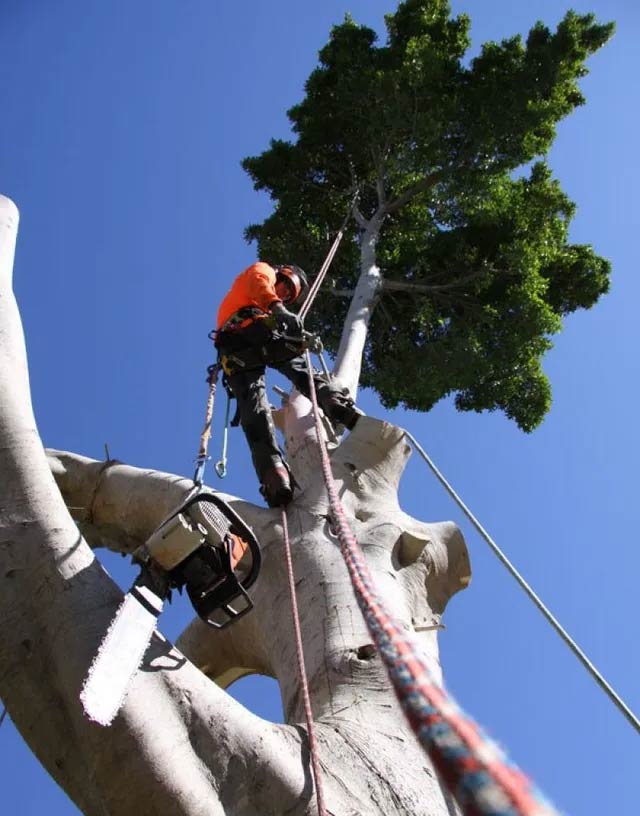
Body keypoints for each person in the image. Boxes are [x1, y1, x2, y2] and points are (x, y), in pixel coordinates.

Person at [215, 261, 362, 507]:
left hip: (238, 350)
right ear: (282, 275)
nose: (283, 295)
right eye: (284, 289)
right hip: (247, 335)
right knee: (256, 408)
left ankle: (276, 474)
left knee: (263, 402)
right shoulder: (264, 271)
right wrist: (278, 308)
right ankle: (273, 469)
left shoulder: (265, 305)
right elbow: (259, 284)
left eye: (287, 296)